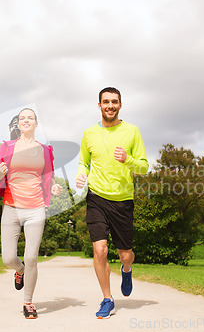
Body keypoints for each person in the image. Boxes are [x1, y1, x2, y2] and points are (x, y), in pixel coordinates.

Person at [75, 87, 148, 319]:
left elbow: (144, 167)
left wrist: (129, 160)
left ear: (120, 105)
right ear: (99, 105)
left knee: (125, 254)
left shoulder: (132, 131)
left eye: (114, 102)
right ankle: (107, 298)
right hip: (96, 197)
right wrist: (80, 174)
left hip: (122, 200)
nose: (110, 105)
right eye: (106, 102)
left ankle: (127, 270)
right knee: (100, 250)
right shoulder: (89, 134)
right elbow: (83, 162)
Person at [0, 108, 62, 319]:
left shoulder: (45, 150)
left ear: (36, 124)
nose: (26, 121)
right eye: (22, 118)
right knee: (8, 258)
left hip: (36, 207)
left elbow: (50, 176)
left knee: (31, 257)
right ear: (18, 125)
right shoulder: (7, 147)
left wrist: (54, 187)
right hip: (11, 207)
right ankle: (18, 271)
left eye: (30, 118)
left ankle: (28, 302)